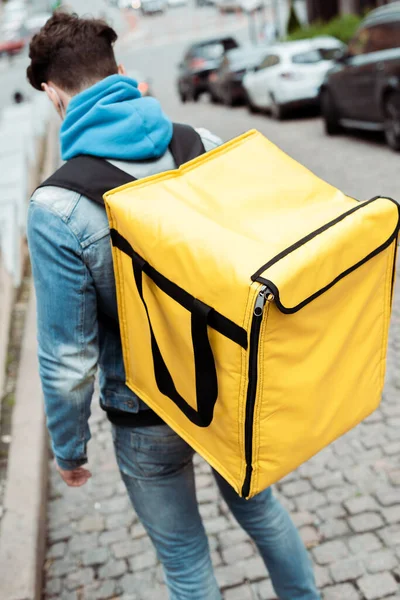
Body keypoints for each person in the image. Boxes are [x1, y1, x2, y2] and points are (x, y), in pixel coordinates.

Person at [27, 12, 320, 600]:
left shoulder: (57, 205)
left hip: (146, 409)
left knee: (186, 561)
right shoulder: (197, 143)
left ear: (52, 92)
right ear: (121, 72)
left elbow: (68, 357)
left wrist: (70, 451)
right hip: (230, 381)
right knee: (262, 512)